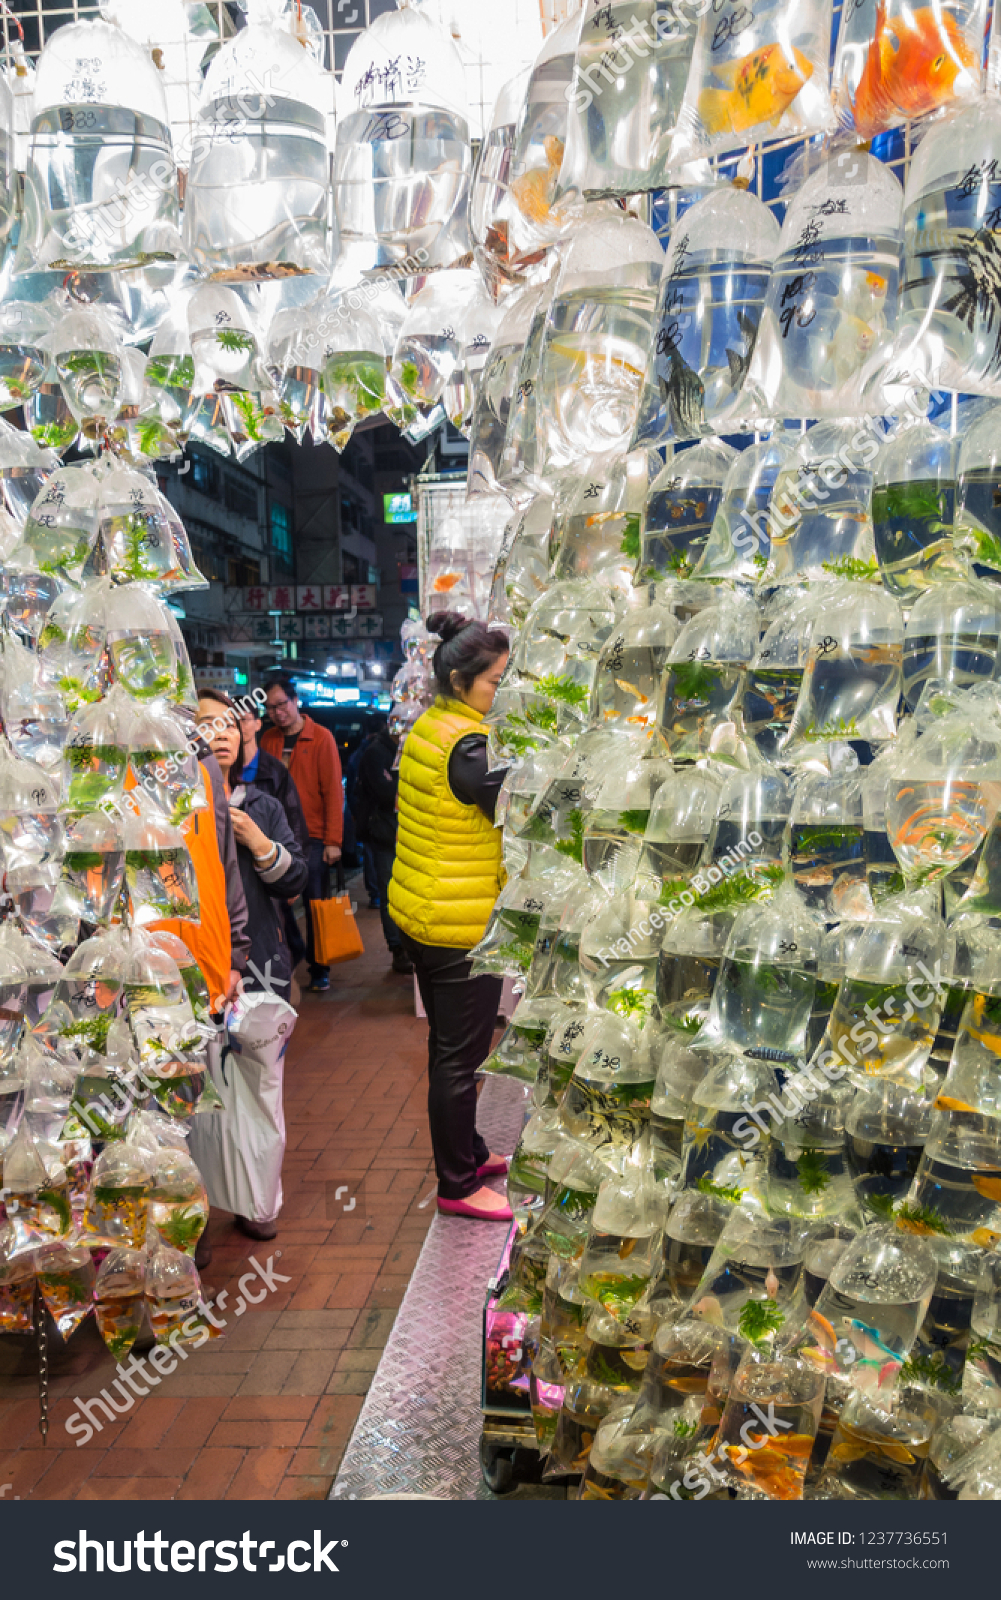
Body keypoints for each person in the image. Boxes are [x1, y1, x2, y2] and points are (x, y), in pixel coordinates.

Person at [388, 611, 512, 1222]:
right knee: (459, 1059)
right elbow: (519, 810)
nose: (502, 693)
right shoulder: (468, 746)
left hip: (422, 911)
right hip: (459, 927)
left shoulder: (431, 726)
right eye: (496, 683)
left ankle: (470, 1148)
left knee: (448, 1047)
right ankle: (457, 1184)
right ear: (462, 681)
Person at [194, 692, 307, 1241]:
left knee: (260, 1090)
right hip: (196, 974)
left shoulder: (262, 804)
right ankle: (190, 1221)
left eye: (228, 724)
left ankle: (257, 1201)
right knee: (193, 1096)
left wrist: (259, 843)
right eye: (205, 724)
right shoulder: (176, 806)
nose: (220, 734)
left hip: (259, 968)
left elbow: (294, 880)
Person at [261, 675, 343, 993]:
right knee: (278, 904)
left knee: (315, 906)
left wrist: (334, 841)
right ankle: (295, 952)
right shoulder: (268, 740)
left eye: (282, 705)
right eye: (270, 708)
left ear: (296, 702)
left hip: (313, 837)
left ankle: (320, 968)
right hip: (274, 836)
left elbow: (333, 792)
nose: (277, 712)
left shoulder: (320, 738)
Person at [235, 694, 311, 973]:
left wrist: (290, 866)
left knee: (276, 934)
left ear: (256, 723)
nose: (234, 729)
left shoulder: (273, 771)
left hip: (272, 867)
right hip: (243, 885)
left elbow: (294, 821)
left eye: (240, 721)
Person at [353, 715, 412, 975]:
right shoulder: (376, 752)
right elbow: (387, 793)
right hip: (385, 834)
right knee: (390, 894)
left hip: (408, 833)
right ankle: (398, 948)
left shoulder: (410, 748)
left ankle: (409, 946)